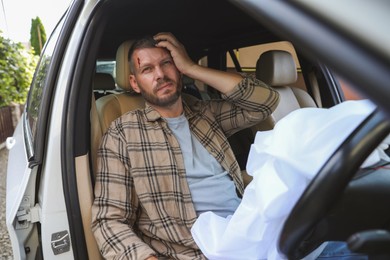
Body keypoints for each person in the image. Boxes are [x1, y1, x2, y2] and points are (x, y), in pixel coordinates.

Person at [91, 32, 280, 259]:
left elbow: (264, 102)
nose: (160, 75)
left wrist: (192, 68)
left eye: (166, 63)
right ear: (135, 83)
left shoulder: (205, 112)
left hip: (250, 234)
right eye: (147, 69)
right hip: (193, 252)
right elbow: (109, 220)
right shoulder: (123, 133)